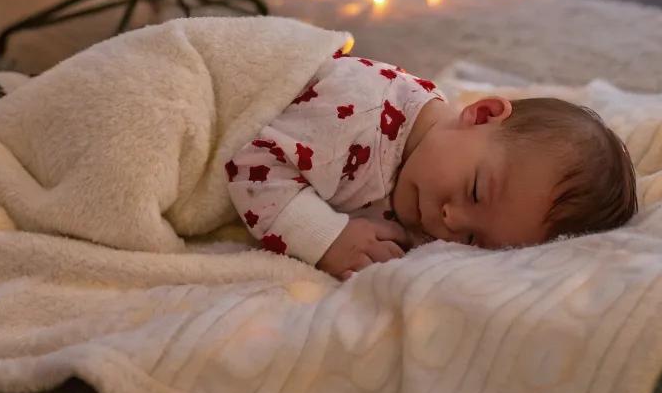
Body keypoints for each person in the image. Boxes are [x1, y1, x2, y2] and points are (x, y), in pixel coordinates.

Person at [224, 50, 638, 280]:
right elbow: (251, 166)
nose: (451, 221)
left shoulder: (426, 187)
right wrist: (327, 239)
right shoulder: (361, 116)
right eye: (475, 191)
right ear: (481, 115)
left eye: (474, 239)